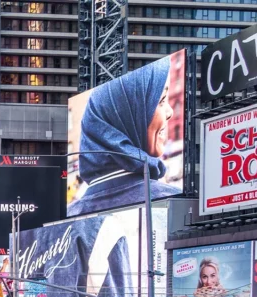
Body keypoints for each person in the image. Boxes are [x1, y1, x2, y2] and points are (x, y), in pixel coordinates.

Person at [68, 53, 179, 217]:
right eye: (161, 100)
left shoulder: (69, 215)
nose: (170, 112)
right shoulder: (173, 202)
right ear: (127, 115)